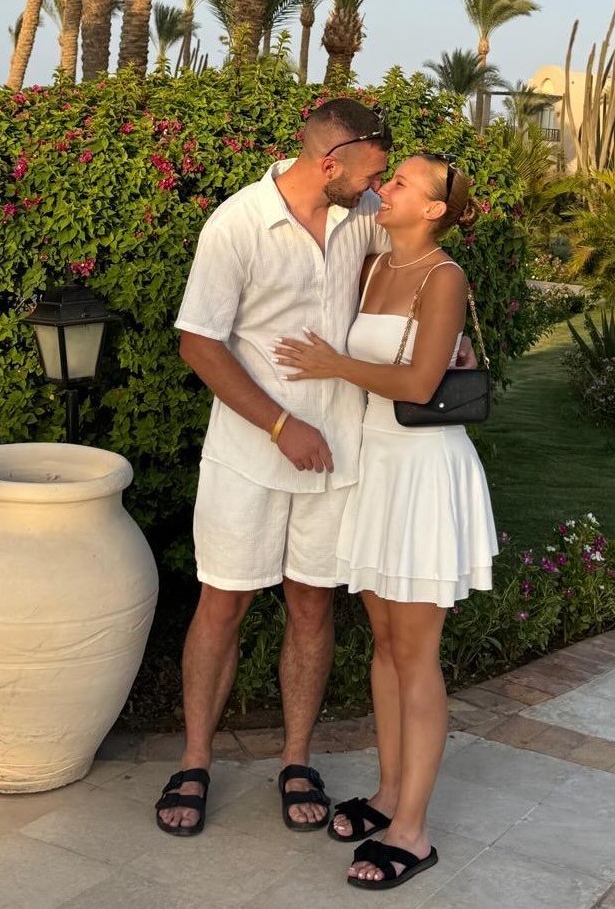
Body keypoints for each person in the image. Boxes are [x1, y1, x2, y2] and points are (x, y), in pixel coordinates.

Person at [155, 100, 395, 837]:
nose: (378, 187)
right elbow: (199, 342)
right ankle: (195, 761)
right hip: (249, 457)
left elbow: (424, 250)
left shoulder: (363, 213)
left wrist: (449, 330)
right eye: (371, 174)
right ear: (329, 163)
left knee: (312, 607)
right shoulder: (237, 224)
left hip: (339, 454)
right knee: (223, 604)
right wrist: (281, 425)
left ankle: (296, 760)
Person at [273, 153, 498, 889]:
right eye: (389, 177)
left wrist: (333, 364)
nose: (385, 188)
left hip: (424, 475)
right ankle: (388, 794)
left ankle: (413, 831)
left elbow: (421, 382)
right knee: (384, 646)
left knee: (416, 652)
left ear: (433, 210)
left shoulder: (444, 277)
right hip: (377, 469)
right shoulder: (375, 266)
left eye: (401, 183)